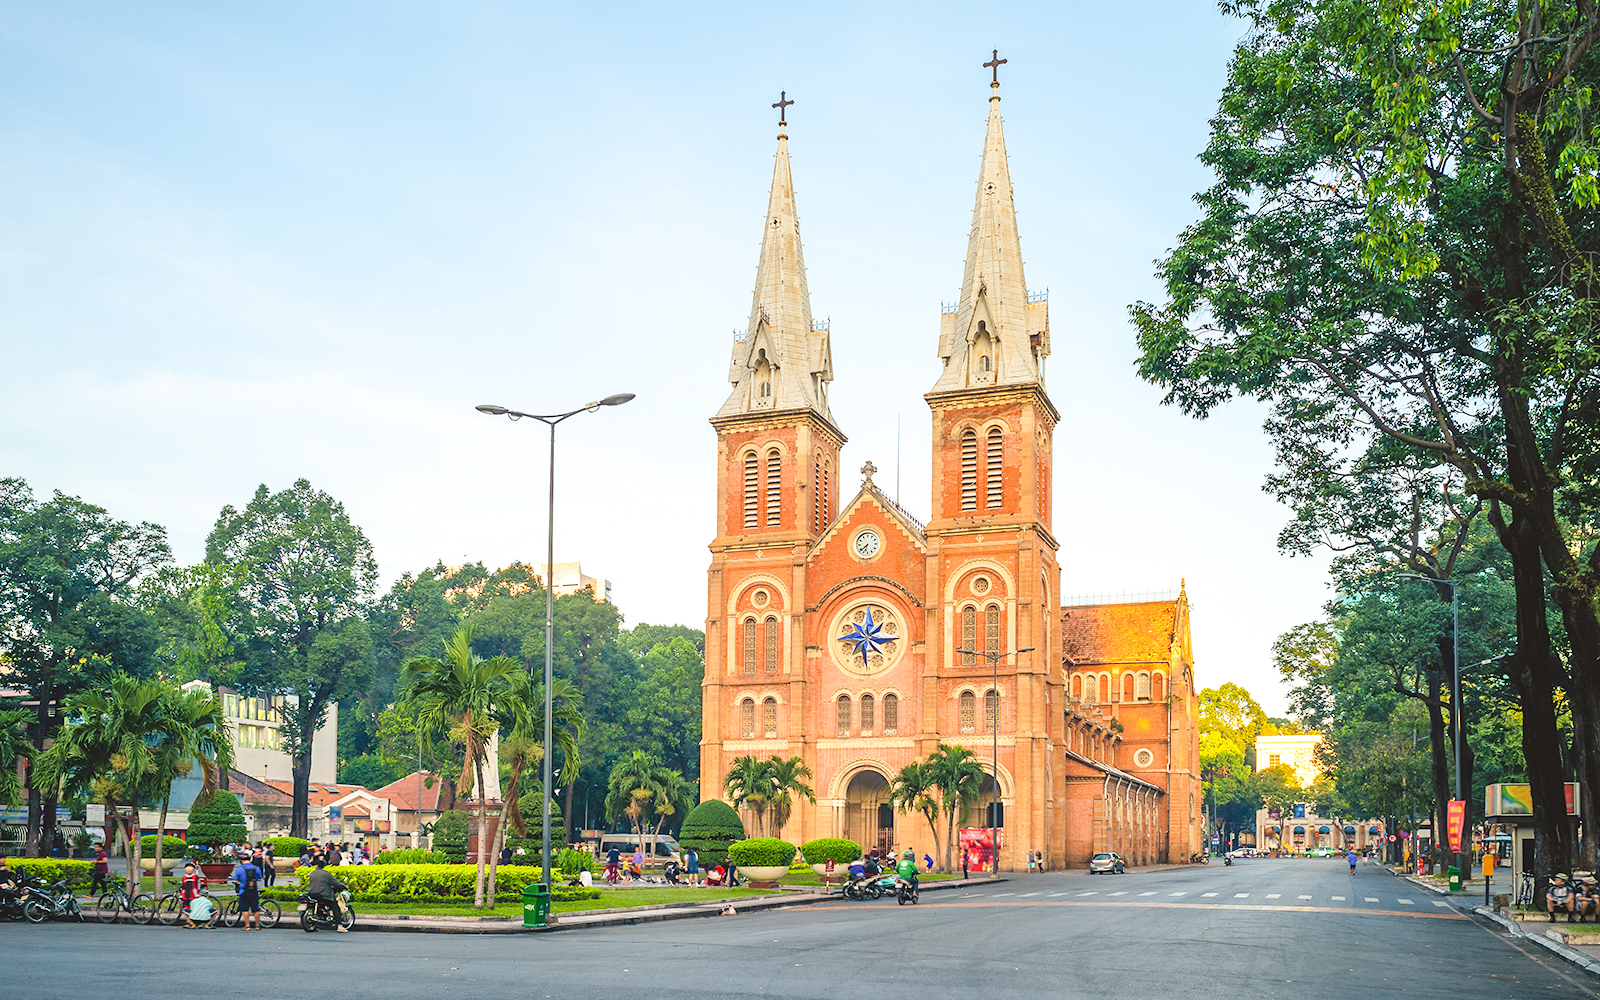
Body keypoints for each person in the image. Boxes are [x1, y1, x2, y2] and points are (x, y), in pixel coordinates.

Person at [307, 860, 351, 933]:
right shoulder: (326, 874)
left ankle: (318, 922)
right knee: (335, 907)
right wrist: (344, 886)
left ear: (316, 866)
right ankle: (339, 926)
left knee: (320, 904)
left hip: (312, 893)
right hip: (323, 894)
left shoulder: (312, 873)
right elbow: (335, 883)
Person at [231, 852, 263, 930]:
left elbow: (236, 880)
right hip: (254, 890)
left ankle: (247, 926)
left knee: (245, 908)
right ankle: (257, 925)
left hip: (243, 890)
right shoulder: (256, 868)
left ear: (241, 860)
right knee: (255, 908)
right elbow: (260, 878)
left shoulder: (239, 869)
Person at [179, 862, 212, 929]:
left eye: (190, 868)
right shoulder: (184, 878)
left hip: (194, 896)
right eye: (187, 868)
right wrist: (181, 897)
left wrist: (197, 895)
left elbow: (197, 886)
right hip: (186, 896)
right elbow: (183, 888)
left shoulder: (195, 877)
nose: (188, 870)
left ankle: (197, 922)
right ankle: (189, 922)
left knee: (194, 909)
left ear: (193, 869)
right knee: (186, 909)